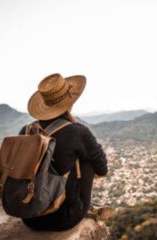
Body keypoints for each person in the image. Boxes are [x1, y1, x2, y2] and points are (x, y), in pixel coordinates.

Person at [19, 73, 108, 231]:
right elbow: (102, 168)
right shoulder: (77, 132)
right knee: (88, 159)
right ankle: (75, 204)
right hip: (63, 219)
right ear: (70, 102)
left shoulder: (26, 130)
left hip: (29, 216)